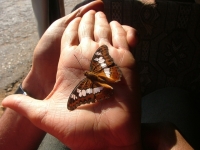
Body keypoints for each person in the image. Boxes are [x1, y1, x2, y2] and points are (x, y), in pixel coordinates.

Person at [0, 0, 196, 149]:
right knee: (173, 96)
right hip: (110, 78)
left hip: (101, 88)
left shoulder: (84, 85)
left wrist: (37, 82)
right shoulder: (97, 63)